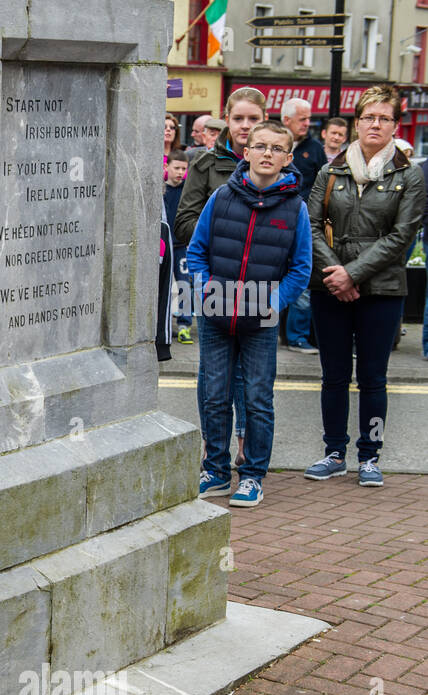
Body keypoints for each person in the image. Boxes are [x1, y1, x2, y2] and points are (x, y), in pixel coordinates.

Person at [303, 86, 426, 488]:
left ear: (394, 125)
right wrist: (336, 273)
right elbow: (312, 227)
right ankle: (334, 452)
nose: (376, 124)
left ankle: (369, 456)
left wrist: (352, 274)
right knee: (333, 375)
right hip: (329, 287)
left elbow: (401, 236)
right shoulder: (330, 171)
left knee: (374, 377)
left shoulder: (409, 175)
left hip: (383, 290)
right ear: (357, 122)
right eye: (369, 117)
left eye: (384, 118)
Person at [188, 120, 312, 508]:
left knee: (258, 398)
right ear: (246, 152)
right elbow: (196, 252)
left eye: (276, 149)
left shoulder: (295, 208)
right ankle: (217, 471)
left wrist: (274, 303)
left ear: (287, 159)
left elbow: (300, 268)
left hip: (260, 318)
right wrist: (204, 287)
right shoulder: (221, 197)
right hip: (215, 313)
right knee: (213, 395)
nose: (266, 154)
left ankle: (253, 475)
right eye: (260, 146)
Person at [177, 88, 270, 470]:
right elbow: (184, 223)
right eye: (239, 119)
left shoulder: (277, 163)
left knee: (253, 380)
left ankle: (247, 448)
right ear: (226, 120)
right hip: (216, 282)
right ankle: (212, 450)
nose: (245, 126)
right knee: (214, 378)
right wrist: (227, 242)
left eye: (253, 119)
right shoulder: (205, 164)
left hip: (260, 286)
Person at [279, 98, 326, 355]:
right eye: (303, 119)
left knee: (302, 279)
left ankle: (296, 336)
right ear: (287, 120)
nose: (308, 124)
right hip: (274, 219)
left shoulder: (314, 148)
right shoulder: (275, 141)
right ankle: (278, 331)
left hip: (303, 221)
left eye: (309, 119)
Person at [164, 149, 193, 343]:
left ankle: (184, 325)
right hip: (165, 246)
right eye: (177, 168)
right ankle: (164, 326)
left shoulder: (188, 191)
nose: (180, 172)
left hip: (182, 245)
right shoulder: (161, 190)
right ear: (167, 167)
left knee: (184, 284)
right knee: (163, 287)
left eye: (184, 169)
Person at [163, 112, 182, 177]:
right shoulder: (151, 155)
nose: (168, 129)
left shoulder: (180, 156)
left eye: (172, 128)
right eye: (164, 127)